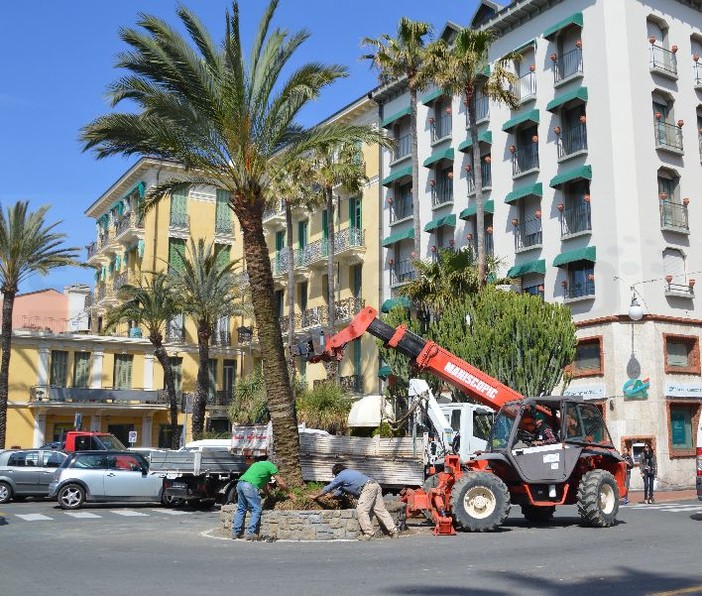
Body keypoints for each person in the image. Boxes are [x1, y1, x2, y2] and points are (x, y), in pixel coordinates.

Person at [312, 463, 399, 541]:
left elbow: (329, 487)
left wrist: (316, 496)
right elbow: (342, 489)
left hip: (367, 488)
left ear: (336, 473)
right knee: (381, 510)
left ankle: (368, 533)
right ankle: (394, 531)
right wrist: (332, 496)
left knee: (361, 510)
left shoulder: (340, 476)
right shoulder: (350, 472)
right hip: (375, 485)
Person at [231, 456, 288, 540]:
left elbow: (263, 485)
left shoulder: (258, 464)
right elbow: (281, 482)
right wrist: (289, 493)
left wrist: (269, 495)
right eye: (278, 467)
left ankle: (235, 533)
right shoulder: (272, 466)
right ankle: (250, 533)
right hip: (249, 486)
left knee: (241, 508)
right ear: (276, 464)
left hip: (240, 484)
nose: (277, 469)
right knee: (256, 509)